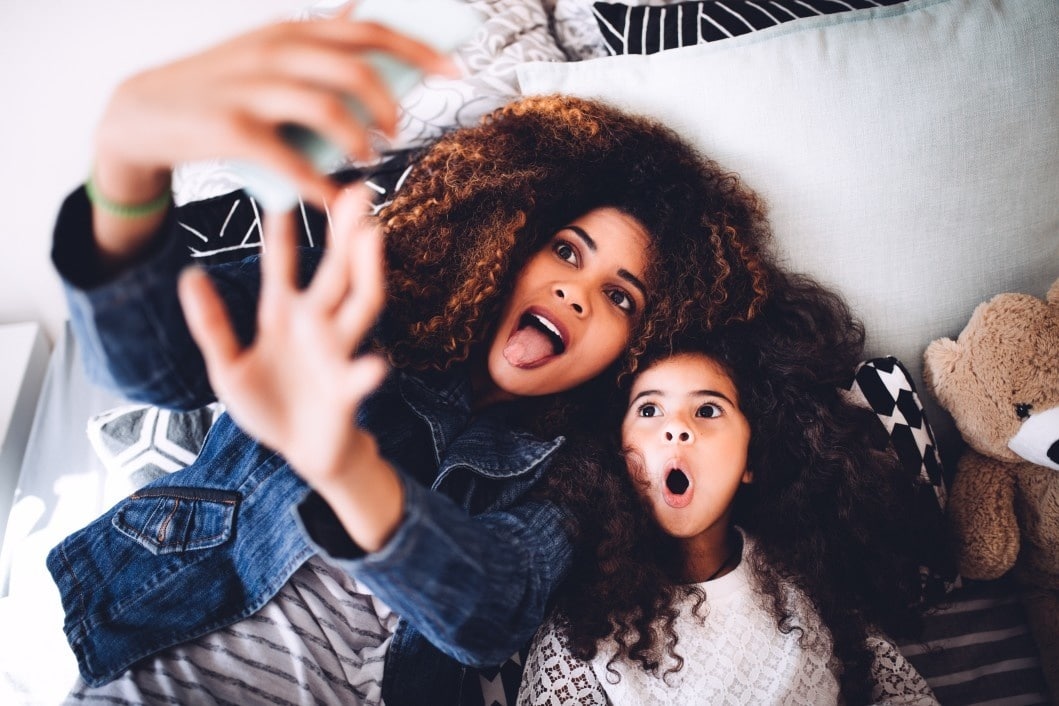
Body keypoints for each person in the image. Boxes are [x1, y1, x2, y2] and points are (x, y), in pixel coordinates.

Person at [46, 13, 777, 706]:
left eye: (621, 298)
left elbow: (493, 610)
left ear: (638, 350)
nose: (577, 293)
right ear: (505, 237)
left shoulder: (578, 466)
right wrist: (124, 171)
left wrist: (343, 467)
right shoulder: (359, 294)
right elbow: (157, 367)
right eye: (564, 251)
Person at [518, 274, 943, 705]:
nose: (677, 429)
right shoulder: (580, 630)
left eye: (707, 409)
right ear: (618, 453)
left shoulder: (813, 584)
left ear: (751, 460)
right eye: (649, 409)